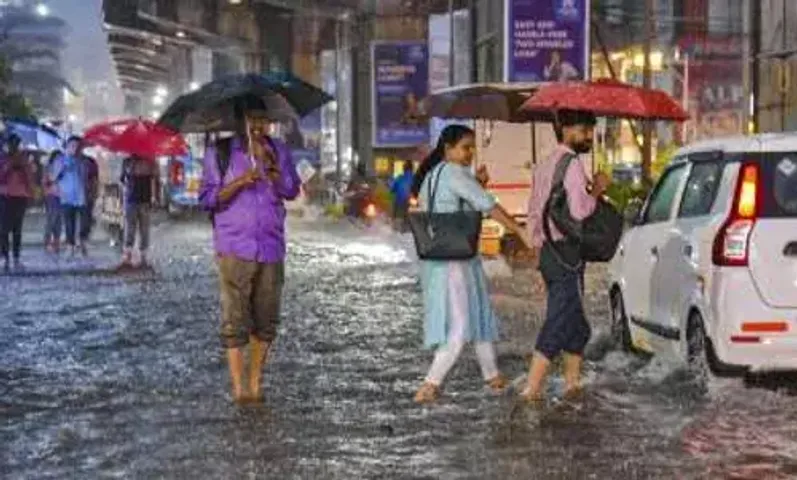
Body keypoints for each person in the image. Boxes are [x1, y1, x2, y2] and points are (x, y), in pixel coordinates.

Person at [411, 124, 534, 404]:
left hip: (450, 258)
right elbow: (487, 205)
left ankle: (493, 378)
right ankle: (429, 386)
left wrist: (477, 184)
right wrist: (519, 230)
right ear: (448, 148)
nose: (470, 153)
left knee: (480, 320)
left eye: (472, 148)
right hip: (453, 263)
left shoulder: (435, 174)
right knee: (459, 329)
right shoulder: (454, 174)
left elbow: (459, 203)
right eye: (465, 147)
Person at [199, 110, 301, 404]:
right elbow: (207, 199)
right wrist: (242, 180)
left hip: (271, 245)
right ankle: (238, 387)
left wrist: (274, 171)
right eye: (251, 119)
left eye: (262, 119)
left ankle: (255, 382)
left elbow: (292, 190)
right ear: (239, 121)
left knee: (266, 318)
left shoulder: (278, 150)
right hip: (234, 246)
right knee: (235, 318)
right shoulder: (219, 153)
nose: (258, 126)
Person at [522, 110, 611, 406]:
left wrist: (539, 251)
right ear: (564, 128)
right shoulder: (571, 164)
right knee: (559, 320)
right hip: (567, 254)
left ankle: (572, 386)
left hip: (550, 252)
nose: (588, 136)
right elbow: (580, 211)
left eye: (590, 131)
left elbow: (534, 211)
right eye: (583, 130)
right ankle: (531, 390)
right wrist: (597, 190)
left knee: (577, 325)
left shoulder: (546, 163)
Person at [0, 134, 35, 271]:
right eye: (11, 144)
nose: (14, 147)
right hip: (4, 196)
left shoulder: (24, 160)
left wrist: (31, 193)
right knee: (3, 229)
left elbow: (29, 178)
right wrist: (8, 167)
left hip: (20, 196)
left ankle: (15, 258)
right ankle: (4, 258)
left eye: (16, 144)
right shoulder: (2, 159)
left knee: (17, 229)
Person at [119, 154, 161, 268]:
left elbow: (157, 181)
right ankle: (128, 254)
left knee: (144, 229)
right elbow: (122, 180)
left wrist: (156, 198)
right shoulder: (127, 161)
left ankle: (143, 256)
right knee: (130, 228)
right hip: (131, 199)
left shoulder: (151, 162)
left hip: (145, 201)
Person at [54, 136, 91, 257]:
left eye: (78, 146)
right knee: (69, 222)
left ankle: (83, 241)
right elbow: (53, 177)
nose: (75, 149)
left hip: (82, 196)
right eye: (72, 146)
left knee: (85, 221)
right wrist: (63, 168)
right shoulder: (60, 160)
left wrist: (92, 192)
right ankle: (70, 245)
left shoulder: (85, 161)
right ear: (67, 146)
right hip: (67, 196)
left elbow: (90, 178)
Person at [43, 150, 63, 254]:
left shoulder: (63, 168)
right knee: (51, 219)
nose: (59, 159)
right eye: (57, 157)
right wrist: (55, 179)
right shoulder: (48, 168)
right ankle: (47, 243)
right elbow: (46, 182)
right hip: (51, 196)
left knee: (58, 222)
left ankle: (56, 243)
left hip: (61, 197)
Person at [389, 160, 414, 231]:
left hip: (400, 202)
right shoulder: (416, 178)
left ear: (404, 169)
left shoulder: (399, 178)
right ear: (412, 169)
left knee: (397, 218)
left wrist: (392, 189)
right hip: (412, 202)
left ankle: (397, 229)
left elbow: (393, 189)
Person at [82, 152, 100, 240]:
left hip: (87, 193)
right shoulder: (91, 162)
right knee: (86, 214)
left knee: (86, 214)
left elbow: (95, 179)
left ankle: (84, 235)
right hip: (84, 194)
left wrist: (94, 192)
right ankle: (83, 235)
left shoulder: (90, 162)